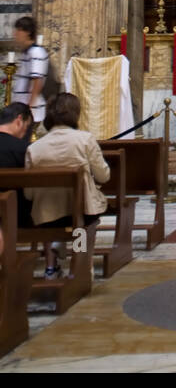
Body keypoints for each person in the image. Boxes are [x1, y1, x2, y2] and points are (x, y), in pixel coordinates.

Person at [24, 92, 110, 279]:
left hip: (48, 215)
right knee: (85, 224)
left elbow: (29, 193)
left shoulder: (34, 148)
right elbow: (103, 176)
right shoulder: (85, 140)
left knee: (47, 217)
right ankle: (80, 263)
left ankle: (50, 267)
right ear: (75, 114)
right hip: (80, 212)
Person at [0, 101, 34, 229]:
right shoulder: (24, 149)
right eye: (27, 127)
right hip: (16, 216)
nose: (26, 133)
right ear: (19, 120)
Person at [11, 16, 49, 127]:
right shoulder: (26, 52)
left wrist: (30, 107)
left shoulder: (36, 52)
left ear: (27, 32)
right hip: (20, 106)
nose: (15, 34)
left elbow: (37, 80)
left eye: (19, 30)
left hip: (29, 109)